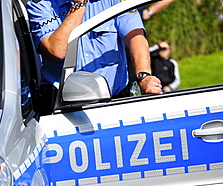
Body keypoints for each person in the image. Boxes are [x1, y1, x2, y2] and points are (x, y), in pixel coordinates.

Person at [26, 0, 162, 115]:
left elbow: (135, 37)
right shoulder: (40, 5)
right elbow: (57, 50)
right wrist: (79, 6)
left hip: (113, 102)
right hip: (61, 108)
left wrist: (144, 76)